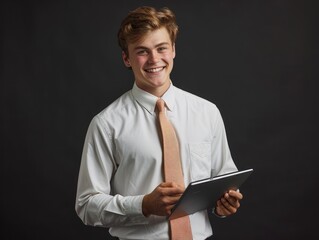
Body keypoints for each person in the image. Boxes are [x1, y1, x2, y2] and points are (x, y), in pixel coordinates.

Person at [75, 6, 243, 240]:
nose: (154, 59)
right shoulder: (106, 124)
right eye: (142, 51)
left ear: (173, 50)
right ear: (126, 58)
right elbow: (86, 205)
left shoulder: (207, 112)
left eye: (161, 48)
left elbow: (224, 179)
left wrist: (224, 203)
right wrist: (142, 205)